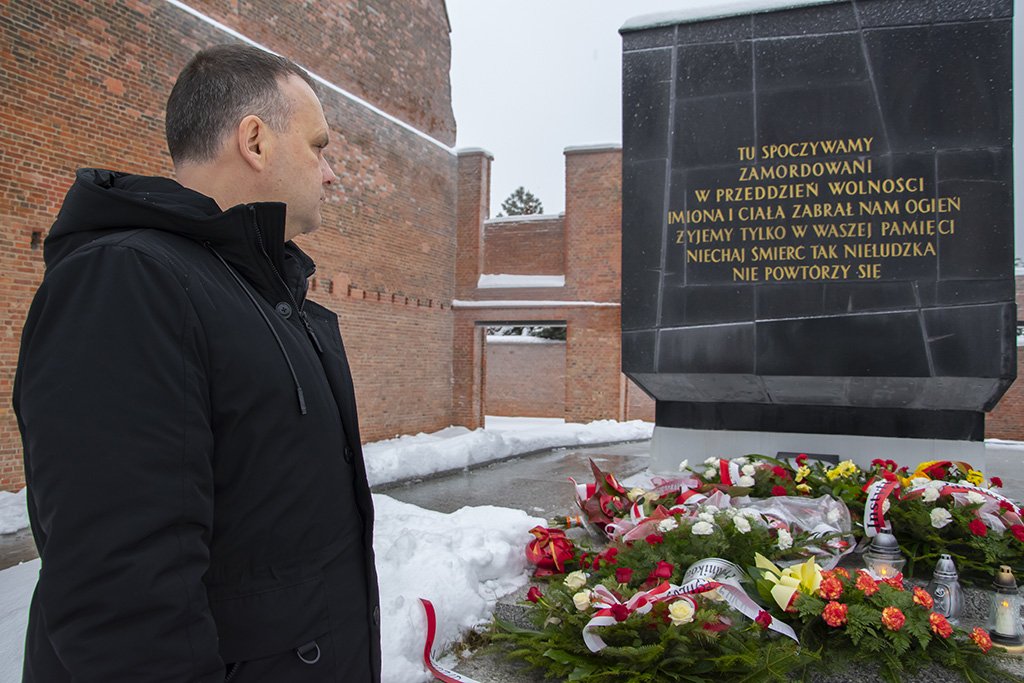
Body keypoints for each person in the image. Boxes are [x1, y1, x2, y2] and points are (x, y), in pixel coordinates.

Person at [13, 44, 381, 682]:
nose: (330, 173)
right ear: (255, 140)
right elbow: (120, 586)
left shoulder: (261, 296)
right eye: (319, 147)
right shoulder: (129, 281)